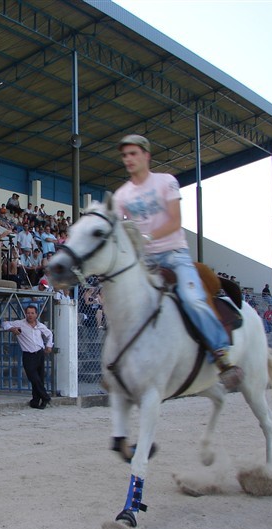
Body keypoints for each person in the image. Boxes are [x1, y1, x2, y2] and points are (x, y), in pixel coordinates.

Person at [111, 134, 243, 390]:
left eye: (133, 154)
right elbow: (117, 228)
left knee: (193, 299)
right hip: (145, 262)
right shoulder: (121, 195)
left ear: (146, 156)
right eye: (124, 155)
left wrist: (144, 237)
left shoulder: (166, 182)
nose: (128, 159)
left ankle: (220, 353)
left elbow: (174, 221)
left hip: (174, 254)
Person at [2, 305, 54, 409]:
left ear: (36, 314)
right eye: (28, 313)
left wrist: (49, 345)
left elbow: (49, 334)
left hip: (39, 353)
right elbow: (4, 323)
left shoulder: (40, 326)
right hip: (28, 354)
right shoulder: (20, 324)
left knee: (39, 378)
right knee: (33, 378)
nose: (30, 315)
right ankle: (45, 396)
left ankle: (37, 401)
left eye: (32, 313)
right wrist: (12, 328)